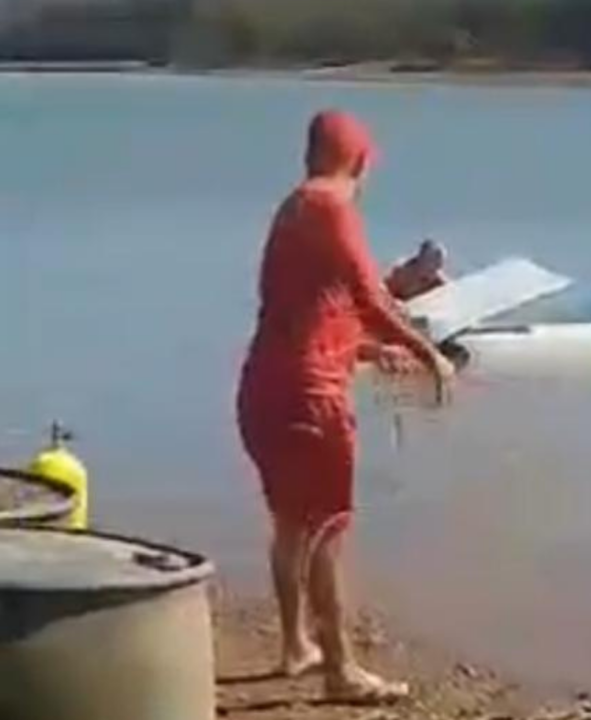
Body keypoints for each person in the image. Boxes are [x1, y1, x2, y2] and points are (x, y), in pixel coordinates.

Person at [236, 109, 454, 703]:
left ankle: (295, 647)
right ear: (360, 160)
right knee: (330, 527)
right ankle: (341, 670)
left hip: (263, 389)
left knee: (290, 525)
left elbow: (307, 317)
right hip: (311, 399)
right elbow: (369, 296)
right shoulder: (333, 205)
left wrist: (363, 351)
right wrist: (426, 351)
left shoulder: (292, 209)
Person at [385, 238, 448, 303]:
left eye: (438, 266)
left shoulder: (439, 281)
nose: (435, 272)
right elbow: (383, 294)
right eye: (431, 267)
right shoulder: (401, 272)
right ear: (420, 259)